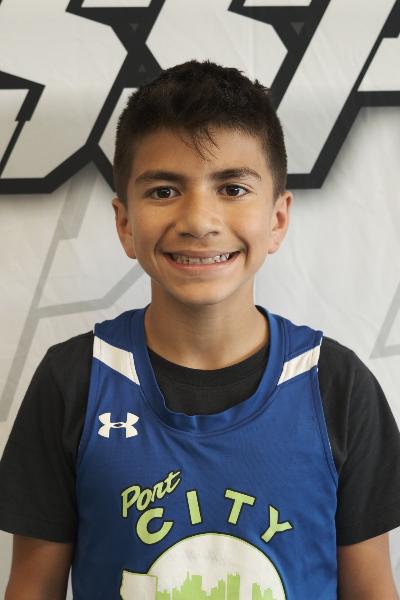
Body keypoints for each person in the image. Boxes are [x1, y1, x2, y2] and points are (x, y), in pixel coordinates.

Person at [1, 60, 400, 600]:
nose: (199, 221)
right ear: (125, 223)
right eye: (164, 191)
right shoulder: (74, 380)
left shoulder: (337, 385)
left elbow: (373, 589)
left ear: (278, 219)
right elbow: (31, 588)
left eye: (232, 188)